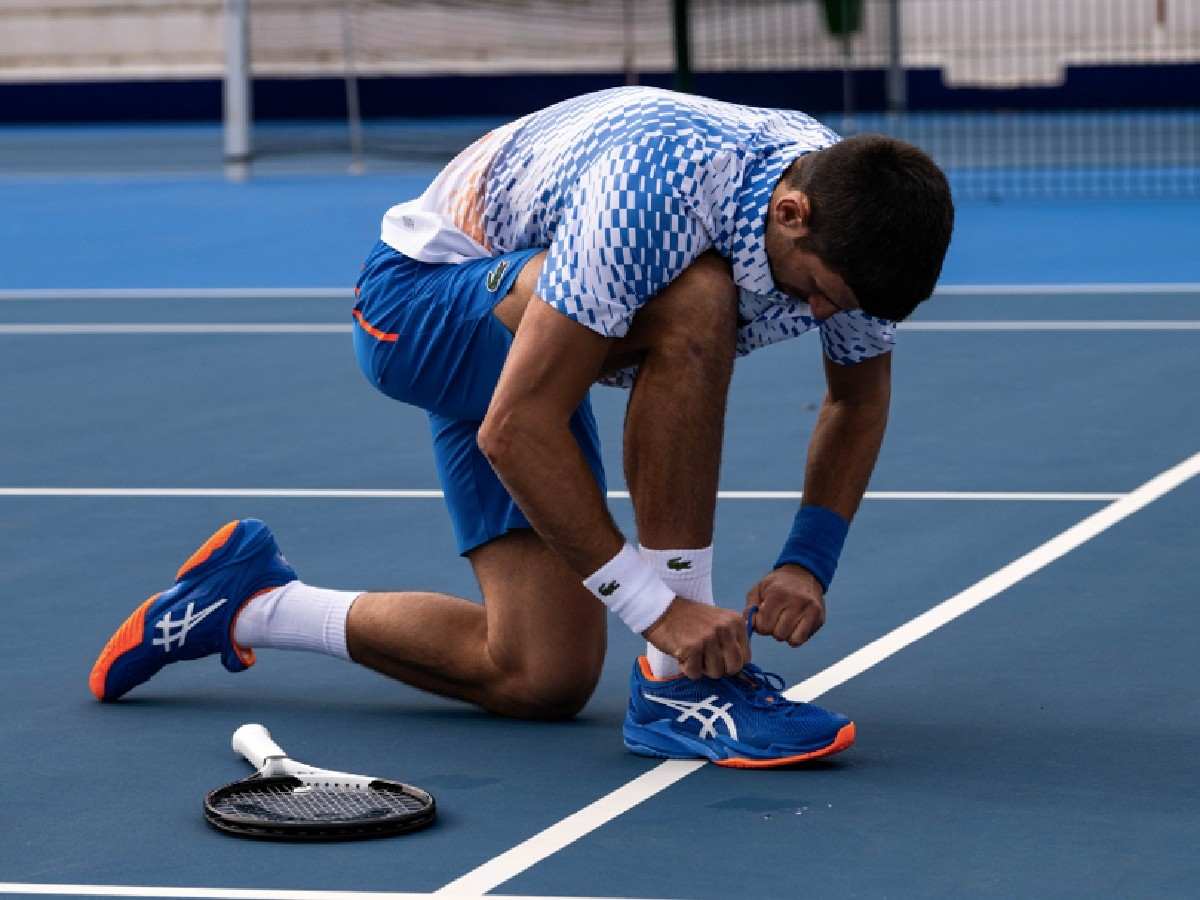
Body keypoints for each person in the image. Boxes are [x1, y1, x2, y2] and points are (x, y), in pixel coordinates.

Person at [90, 86, 953, 768]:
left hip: (542, 326)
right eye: (816, 292)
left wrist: (810, 559)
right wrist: (664, 616)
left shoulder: (849, 215)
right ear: (791, 213)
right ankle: (682, 687)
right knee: (700, 302)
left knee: (541, 676)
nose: (814, 312)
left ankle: (250, 604)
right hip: (416, 308)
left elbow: (856, 397)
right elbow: (515, 429)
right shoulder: (657, 193)